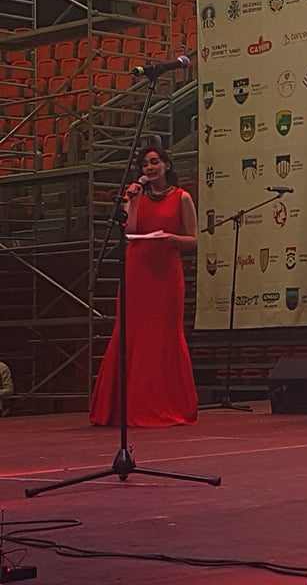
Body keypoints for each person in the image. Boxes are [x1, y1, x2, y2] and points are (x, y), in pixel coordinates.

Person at [89, 146, 199, 427]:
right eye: (145, 164)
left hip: (166, 272)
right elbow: (131, 230)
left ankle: (166, 403)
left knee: (163, 335)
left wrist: (171, 239)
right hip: (137, 271)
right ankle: (127, 405)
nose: (149, 168)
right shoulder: (133, 195)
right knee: (132, 333)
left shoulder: (181, 197)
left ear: (167, 165)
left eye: (155, 162)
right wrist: (134, 201)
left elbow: (193, 240)